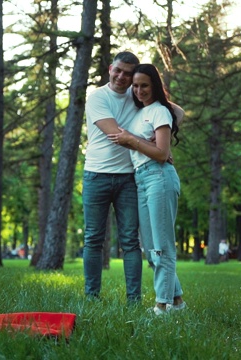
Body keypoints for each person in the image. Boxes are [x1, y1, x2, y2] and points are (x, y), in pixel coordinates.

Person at [108, 63, 185, 315]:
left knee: (162, 246)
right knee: (152, 248)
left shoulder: (159, 111)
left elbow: (162, 154)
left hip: (159, 177)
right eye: (136, 86)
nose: (139, 90)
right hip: (140, 180)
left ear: (155, 87)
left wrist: (133, 140)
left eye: (145, 86)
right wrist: (141, 140)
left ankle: (161, 306)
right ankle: (178, 303)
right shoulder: (139, 112)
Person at [83, 51, 144, 303]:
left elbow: (177, 113)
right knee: (93, 238)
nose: (122, 76)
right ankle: (91, 298)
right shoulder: (97, 97)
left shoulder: (139, 95)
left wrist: (163, 140)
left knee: (130, 241)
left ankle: (134, 301)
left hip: (128, 178)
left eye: (128, 73)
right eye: (118, 70)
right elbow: (116, 134)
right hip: (96, 175)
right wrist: (153, 144)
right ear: (110, 68)